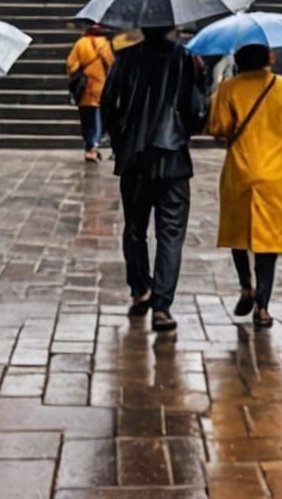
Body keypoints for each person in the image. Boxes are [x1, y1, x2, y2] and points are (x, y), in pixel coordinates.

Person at [100, 26, 209, 334]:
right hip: (173, 157)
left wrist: (122, 141)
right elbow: (197, 111)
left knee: (135, 228)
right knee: (170, 234)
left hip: (134, 156)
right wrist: (200, 79)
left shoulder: (126, 57)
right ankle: (162, 306)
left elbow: (108, 103)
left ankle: (140, 288)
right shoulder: (186, 60)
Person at [206, 43, 282, 329]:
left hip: (239, 170)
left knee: (239, 233)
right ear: (270, 58)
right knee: (268, 240)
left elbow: (218, 128)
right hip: (274, 174)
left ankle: (245, 286)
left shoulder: (227, 88)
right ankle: (263, 306)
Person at [66, 24, 115, 163]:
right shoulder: (105, 45)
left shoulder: (80, 43)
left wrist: (80, 70)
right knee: (96, 119)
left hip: (84, 88)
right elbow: (112, 63)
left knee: (86, 119)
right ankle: (92, 147)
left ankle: (89, 147)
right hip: (100, 87)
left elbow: (71, 64)